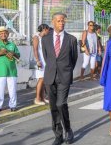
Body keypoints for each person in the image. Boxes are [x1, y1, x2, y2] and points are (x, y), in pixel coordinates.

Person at [42, 12, 78, 145]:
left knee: (60, 103)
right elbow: (47, 58)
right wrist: (53, 69)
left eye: (63, 21)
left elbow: (73, 59)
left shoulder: (71, 39)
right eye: (58, 21)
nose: (61, 23)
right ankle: (58, 134)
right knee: (53, 107)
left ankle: (68, 130)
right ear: (53, 22)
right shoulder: (45, 39)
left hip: (64, 76)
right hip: (50, 76)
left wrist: (66, 71)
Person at [0, 26, 20, 113]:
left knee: (12, 90)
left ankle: (13, 106)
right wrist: (0, 53)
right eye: (1, 33)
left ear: (8, 34)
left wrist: (13, 53)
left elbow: (18, 56)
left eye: (5, 33)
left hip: (12, 71)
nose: (3, 34)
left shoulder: (12, 45)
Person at [32, 24, 50, 105]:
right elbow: (35, 50)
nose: (49, 31)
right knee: (41, 79)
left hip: (44, 60)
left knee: (44, 80)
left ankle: (42, 98)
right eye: (48, 29)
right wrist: (38, 61)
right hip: (40, 61)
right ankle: (37, 98)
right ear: (44, 29)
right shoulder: (36, 37)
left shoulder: (44, 37)